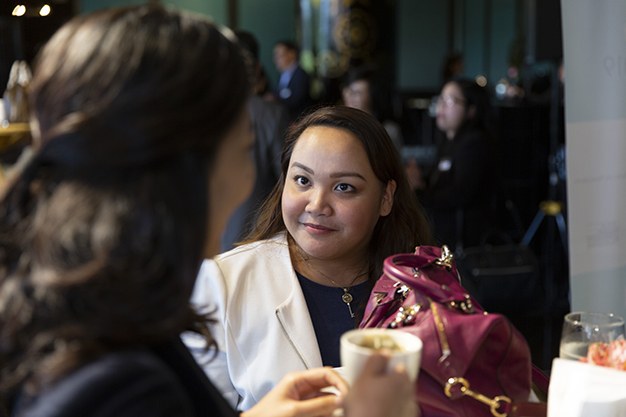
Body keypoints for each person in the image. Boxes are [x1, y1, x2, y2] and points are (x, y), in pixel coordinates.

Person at [0, 6, 416, 417]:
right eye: (244, 150)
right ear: (188, 172)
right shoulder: (121, 378)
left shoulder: (93, 308)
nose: (251, 178)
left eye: (344, 187)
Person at [187, 105, 432, 410]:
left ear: (385, 197)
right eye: (303, 180)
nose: (317, 205)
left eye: (344, 187)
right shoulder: (224, 283)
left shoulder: (425, 287)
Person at [409, 77, 498, 251]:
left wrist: (420, 193)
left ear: (471, 110)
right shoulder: (448, 140)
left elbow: (461, 193)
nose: (441, 106)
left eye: (450, 100)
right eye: (441, 99)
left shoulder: (475, 143)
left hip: (464, 242)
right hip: (445, 235)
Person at [221, 30, 289, 251]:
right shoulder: (271, 115)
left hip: (211, 241)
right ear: (256, 70)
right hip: (257, 239)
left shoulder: (199, 115)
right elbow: (288, 181)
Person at [341, 66, 404, 151]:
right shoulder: (340, 127)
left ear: (372, 96)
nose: (349, 97)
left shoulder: (388, 130)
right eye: (348, 92)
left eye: (357, 93)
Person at [271, 40, 313, 121]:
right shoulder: (282, 75)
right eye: (275, 56)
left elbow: (297, 101)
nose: (276, 59)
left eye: (280, 55)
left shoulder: (301, 75)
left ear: (292, 54)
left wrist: (276, 99)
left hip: (299, 120)